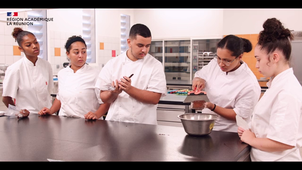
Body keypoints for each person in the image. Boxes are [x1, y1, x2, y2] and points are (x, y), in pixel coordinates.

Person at [238, 18, 302, 161]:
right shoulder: (277, 86)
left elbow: (282, 142)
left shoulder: (287, 92)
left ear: (274, 57)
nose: (256, 65)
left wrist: (251, 139)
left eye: (259, 59)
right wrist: (251, 129)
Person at [95, 23, 167, 125]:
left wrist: (129, 89)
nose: (144, 50)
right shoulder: (113, 64)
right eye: (140, 45)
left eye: (148, 46)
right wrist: (114, 93)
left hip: (144, 126)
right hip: (116, 124)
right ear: (129, 42)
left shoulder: (155, 65)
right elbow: (103, 97)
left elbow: (155, 98)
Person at [193, 35, 261, 132]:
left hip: (231, 133)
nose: (221, 64)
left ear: (240, 57)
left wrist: (213, 107)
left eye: (227, 60)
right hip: (207, 128)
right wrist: (199, 79)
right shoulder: (214, 64)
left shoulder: (249, 83)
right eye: (219, 58)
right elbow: (201, 74)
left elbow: (239, 115)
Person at [39, 36, 110, 120]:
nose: (81, 55)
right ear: (68, 54)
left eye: (83, 52)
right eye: (76, 52)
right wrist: (50, 111)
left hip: (87, 122)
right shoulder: (62, 73)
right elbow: (60, 98)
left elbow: (106, 102)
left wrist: (96, 115)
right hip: (64, 121)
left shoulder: (96, 74)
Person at [2, 27, 53, 117]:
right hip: (27, 118)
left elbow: (48, 92)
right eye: (28, 45)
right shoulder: (15, 69)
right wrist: (17, 112)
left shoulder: (46, 65)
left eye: (36, 42)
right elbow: (6, 98)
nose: (34, 46)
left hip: (46, 116)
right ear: (21, 49)